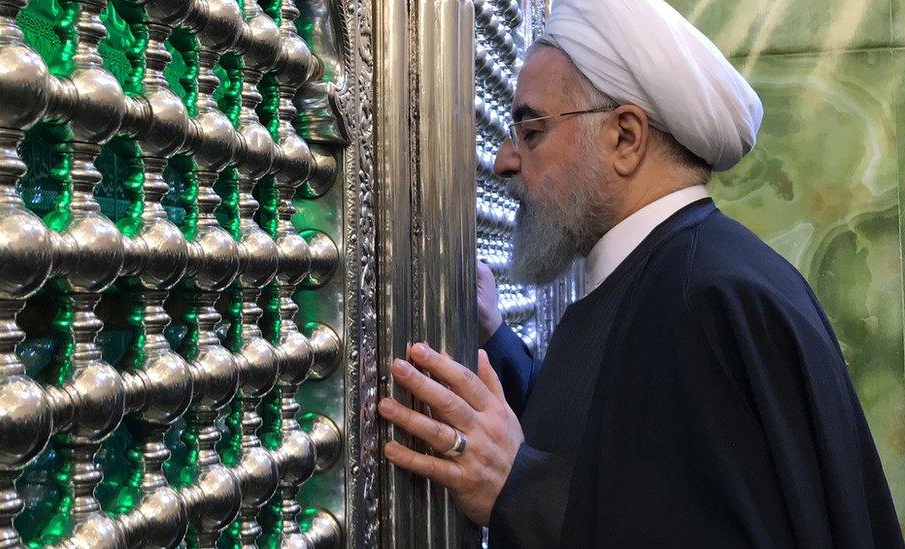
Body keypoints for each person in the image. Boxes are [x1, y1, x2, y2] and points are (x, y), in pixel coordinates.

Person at [378, 0, 905, 547]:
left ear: (625, 138)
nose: (505, 161)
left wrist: (521, 491)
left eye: (531, 131)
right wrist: (496, 338)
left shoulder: (706, 300)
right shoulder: (671, 271)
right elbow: (614, 443)